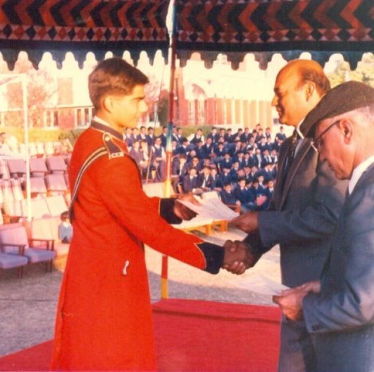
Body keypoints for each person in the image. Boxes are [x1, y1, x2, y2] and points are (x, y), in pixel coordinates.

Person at [50, 57, 253, 371]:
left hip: (97, 273)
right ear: (109, 102)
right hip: (109, 283)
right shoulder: (111, 158)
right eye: (136, 100)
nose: (143, 108)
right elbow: (148, 229)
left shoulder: (92, 141)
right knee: (112, 361)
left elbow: (118, 206)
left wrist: (170, 207)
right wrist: (216, 256)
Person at [230, 59, 348, 371]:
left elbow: (329, 215)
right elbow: (280, 207)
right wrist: (251, 247)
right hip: (296, 293)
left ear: (308, 91)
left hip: (325, 293)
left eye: (279, 93)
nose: (273, 102)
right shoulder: (290, 145)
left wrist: (262, 222)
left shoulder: (334, 142)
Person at [273, 81, 374, 372]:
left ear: (346, 130)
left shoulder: (368, 192)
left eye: (320, 142)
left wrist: (305, 310)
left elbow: (363, 303)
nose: (323, 156)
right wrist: (326, 285)